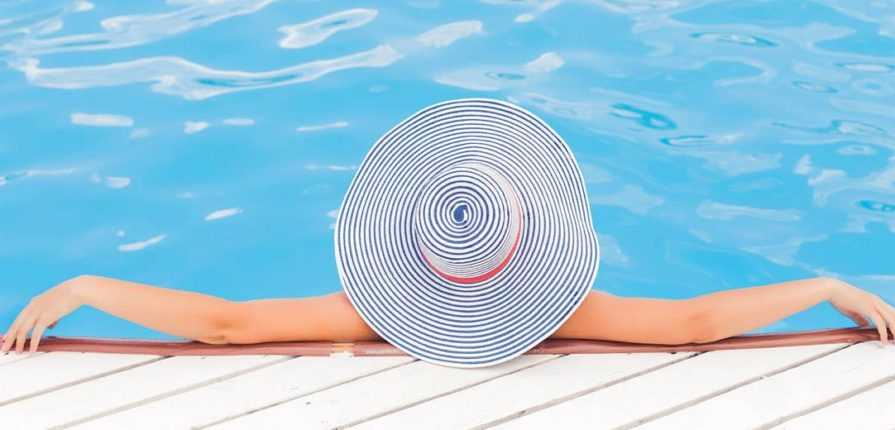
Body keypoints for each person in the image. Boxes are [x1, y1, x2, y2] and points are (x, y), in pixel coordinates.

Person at [2, 274, 894, 355]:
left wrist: (86, 288)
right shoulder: (550, 308)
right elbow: (691, 322)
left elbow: (227, 324)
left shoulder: (379, 311)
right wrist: (821, 288)